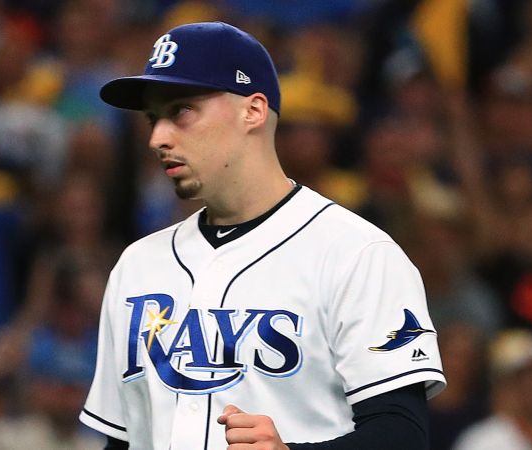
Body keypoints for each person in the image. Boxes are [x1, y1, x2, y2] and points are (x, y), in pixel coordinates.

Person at [80, 22, 445, 450]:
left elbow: (402, 436)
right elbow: (123, 441)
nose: (158, 138)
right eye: (152, 119)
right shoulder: (138, 265)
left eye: (181, 111)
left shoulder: (358, 254)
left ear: (252, 111)